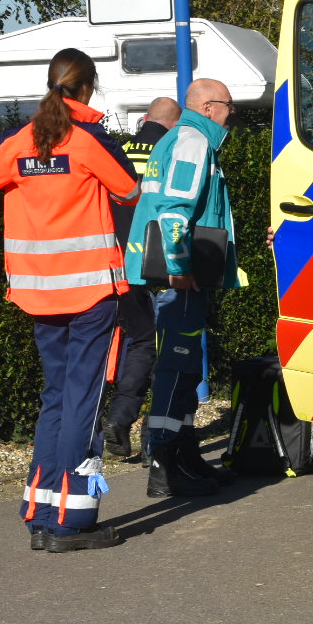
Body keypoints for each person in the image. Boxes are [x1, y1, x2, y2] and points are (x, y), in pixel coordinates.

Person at [0, 49, 140, 551]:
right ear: (87, 89)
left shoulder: (20, 140)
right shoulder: (89, 140)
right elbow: (128, 189)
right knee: (84, 398)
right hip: (92, 295)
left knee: (57, 398)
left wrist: (15, 159)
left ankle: (41, 513)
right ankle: (71, 521)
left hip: (38, 295)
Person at [125, 79, 242, 498]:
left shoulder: (183, 138)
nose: (232, 115)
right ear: (209, 107)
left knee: (187, 368)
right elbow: (175, 209)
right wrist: (177, 265)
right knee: (176, 369)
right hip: (181, 277)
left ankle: (184, 455)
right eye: (229, 107)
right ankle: (166, 465)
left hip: (185, 275)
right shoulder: (193, 141)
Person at [102, 96, 182, 462]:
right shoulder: (169, 152)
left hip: (104, 260)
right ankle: (148, 434)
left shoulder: (115, 149)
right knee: (152, 345)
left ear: (146, 118)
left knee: (103, 343)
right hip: (151, 265)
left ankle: (98, 423)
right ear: (174, 124)